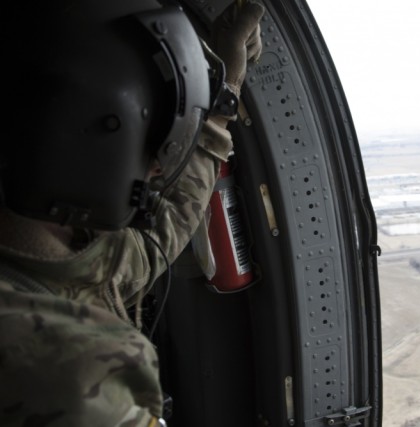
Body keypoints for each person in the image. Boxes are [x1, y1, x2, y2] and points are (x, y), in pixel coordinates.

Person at [0, 0, 264, 425]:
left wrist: (221, 101)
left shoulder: (52, 255)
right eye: (154, 143)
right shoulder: (64, 371)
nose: (159, 168)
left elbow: (153, 241)